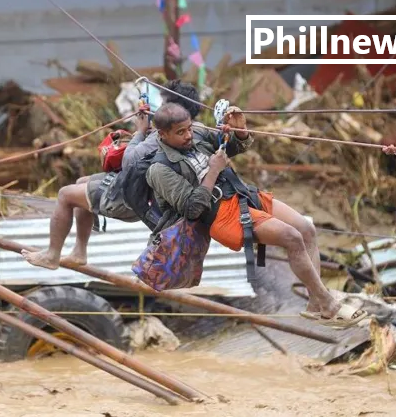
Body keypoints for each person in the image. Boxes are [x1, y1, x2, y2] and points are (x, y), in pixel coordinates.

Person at [143, 102, 368, 326]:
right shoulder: (159, 169)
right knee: (292, 237)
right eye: (180, 132)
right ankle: (328, 302)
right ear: (162, 134)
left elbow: (233, 147)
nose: (188, 135)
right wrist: (213, 170)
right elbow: (192, 210)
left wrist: (240, 131)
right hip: (220, 214)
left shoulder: (198, 134)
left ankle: (314, 305)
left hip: (242, 193)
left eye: (189, 128)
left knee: (306, 228)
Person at [20, 80, 201, 270]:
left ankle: (52, 255)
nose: (161, 109)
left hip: (130, 197)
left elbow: (129, 162)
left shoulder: (164, 135)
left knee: (65, 194)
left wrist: (140, 132)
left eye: (165, 105)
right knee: (82, 182)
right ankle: (79, 252)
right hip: (141, 191)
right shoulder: (193, 131)